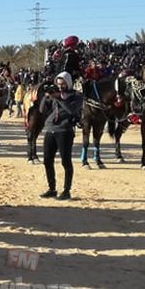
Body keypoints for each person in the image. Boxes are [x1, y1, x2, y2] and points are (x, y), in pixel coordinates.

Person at [38, 71, 84, 200]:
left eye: (63, 84)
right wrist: (46, 96)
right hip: (51, 129)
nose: (60, 86)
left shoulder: (76, 95)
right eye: (58, 84)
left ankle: (66, 190)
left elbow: (72, 110)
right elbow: (42, 110)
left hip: (65, 131)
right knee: (47, 160)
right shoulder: (55, 95)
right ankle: (51, 189)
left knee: (65, 161)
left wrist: (58, 97)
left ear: (68, 83)